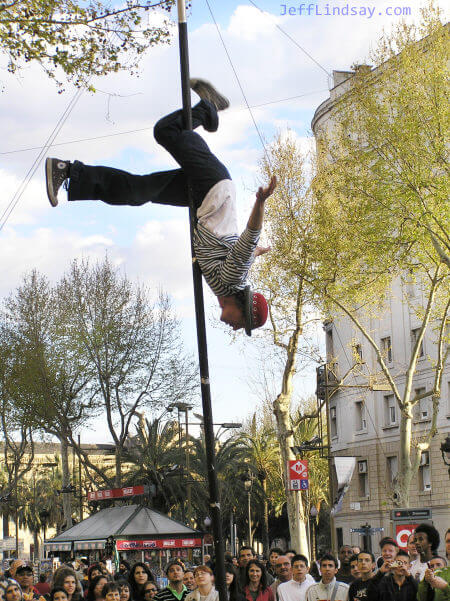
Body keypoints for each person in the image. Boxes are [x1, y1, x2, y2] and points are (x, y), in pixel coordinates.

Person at [45, 79, 276, 337]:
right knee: (165, 131)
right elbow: (249, 238)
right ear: (240, 307)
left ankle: (68, 174)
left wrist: (255, 252)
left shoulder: (230, 283)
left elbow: (243, 253)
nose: (234, 327)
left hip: (203, 200)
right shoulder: (232, 280)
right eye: (240, 323)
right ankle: (208, 107)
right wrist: (261, 201)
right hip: (212, 187)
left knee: (136, 191)